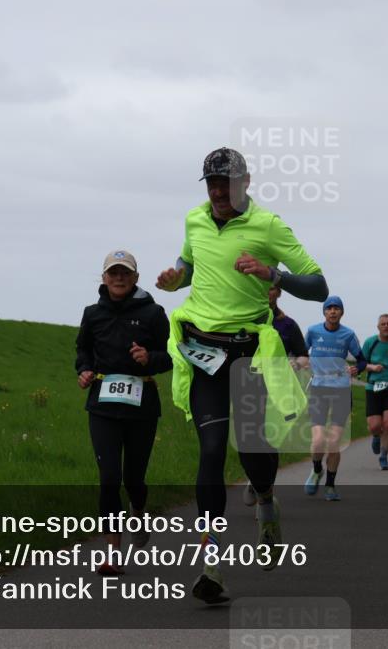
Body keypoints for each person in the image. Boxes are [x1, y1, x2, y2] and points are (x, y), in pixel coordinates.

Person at [156, 147, 328, 604]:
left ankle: (267, 502)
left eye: (226, 183)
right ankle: (211, 563)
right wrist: (175, 279)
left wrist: (272, 272)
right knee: (211, 449)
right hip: (203, 352)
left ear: (245, 182)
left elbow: (318, 284)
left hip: (248, 353)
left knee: (253, 451)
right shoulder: (194, 219)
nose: (217, 192)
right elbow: (191, 266)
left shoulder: (269, 226)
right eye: (211, 183)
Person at [76, 251, 172, 575]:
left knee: (133, 480)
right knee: (108, 479)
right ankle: (113, 553)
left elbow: (167, 357)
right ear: (104, 278)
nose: (118, 278)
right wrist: (85, 371)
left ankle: (139, 508)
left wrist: (150, 358)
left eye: (125, 273)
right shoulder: (92, 314)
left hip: (141, 405)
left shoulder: (153, 313)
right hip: (102, 405)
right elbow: (83, 350)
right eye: (113, 273)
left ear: (135, 278)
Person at [242, 286, 309, 507]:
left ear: (278, 293)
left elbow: (303, 357)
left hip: (277, 391)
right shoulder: (243, 318)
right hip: (249, 388)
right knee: (250, 438)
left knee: (271, 442)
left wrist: (294, 364)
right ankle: (255, 479)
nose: (266, 292)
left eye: (271, 289)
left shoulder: (287, 325)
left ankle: (265, 492)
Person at [303, 296, 366, 501]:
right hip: (319, 388)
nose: (332, 311)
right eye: (329, 308)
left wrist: (358, 368)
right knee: (318, 439)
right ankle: (316, 469)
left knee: (334, 441)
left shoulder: (348, 334)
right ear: (324, 312)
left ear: (341, 312)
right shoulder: (313, 331)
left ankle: (330, 485)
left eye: (336, 308)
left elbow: (362, 359)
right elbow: (301, 352)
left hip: (340, 389)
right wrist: (300, 362)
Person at [362, 313, 388, 470]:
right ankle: (376, 436)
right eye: (383, 324)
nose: (386, 326)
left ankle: (384, 456)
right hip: (374, 386)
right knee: (375, 426)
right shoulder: (370, 342)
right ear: (378, 327)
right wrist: (372, 367)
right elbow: (360, 363)